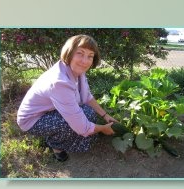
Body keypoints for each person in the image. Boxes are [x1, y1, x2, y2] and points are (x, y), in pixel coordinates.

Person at [17, 34, 116, 162]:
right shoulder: (60, 82)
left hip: (49, 110)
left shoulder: (77, 70)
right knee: (73, 123)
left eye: (90, 56)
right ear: (69, 52)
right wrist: (103, 129)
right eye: (80, 53)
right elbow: (82, 127)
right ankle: (55, 145)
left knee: (88, 113)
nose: (85, 61)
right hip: (32, 120)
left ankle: (55, 134)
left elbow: (86, 97)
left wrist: (105, 115)